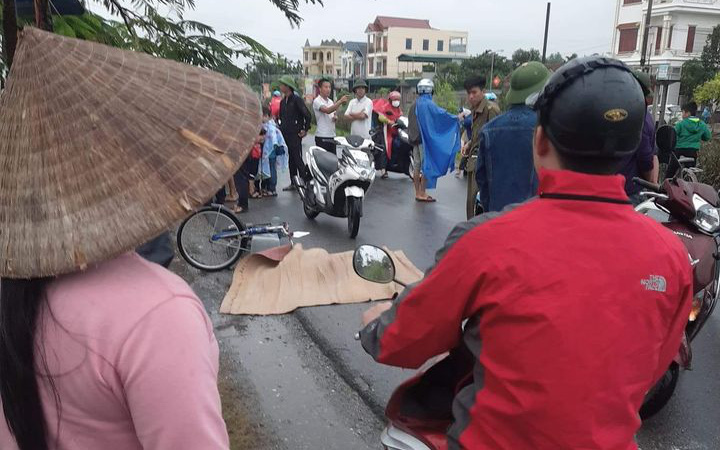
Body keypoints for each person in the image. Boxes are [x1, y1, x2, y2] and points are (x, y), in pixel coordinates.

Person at [359, 57, 692, 449]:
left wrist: (376, 324)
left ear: (540, 141)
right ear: (631, 147)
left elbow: (403, 341)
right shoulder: (672, 257)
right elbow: (653, 365)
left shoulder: (485, 241)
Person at [475, 62, 550, 213]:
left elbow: (481, 180)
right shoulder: (547, 129)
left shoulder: (489, 130)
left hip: (497, 220)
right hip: (535, 220)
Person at [408, 78, 462, 203]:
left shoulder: (414, 104)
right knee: (426, 165)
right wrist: (456, 118)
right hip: (423, 141)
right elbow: (441, 115)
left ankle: (418, 192)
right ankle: (422, 193)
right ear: (431, 90)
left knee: (416, 166)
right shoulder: (427, 104)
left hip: (414, 140)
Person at [462, 76, 500, 219]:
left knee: (481, 202)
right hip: (473, 161)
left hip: (485, 163)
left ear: (483, 91)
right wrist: (469, 144)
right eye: (468, 93)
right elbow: (479, 134)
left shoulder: (491, 110)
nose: (471, 96)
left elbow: (495, 138)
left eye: (474, 92)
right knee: (471, 203)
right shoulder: (475, 110)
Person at [619, 70, 659, 205]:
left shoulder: (615, 112)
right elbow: (647, 158)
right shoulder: (642, 117)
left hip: (616, 189)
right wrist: (651, 183)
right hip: (631, 190)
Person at [277, 75, 312, 192]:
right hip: (285, 134)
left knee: (297, 158)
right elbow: (281, 117)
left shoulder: (296, 100)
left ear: (287, 86)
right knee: (290, 158)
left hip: (295, 134)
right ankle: (294, 182)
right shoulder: (283, 102)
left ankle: (306, 181)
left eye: (282, 84)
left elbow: (307, 114)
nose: (280, 86)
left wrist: (305, 129)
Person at [665, 101, 712, 179]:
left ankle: (664, 188)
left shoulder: (681, 124)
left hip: (679, 151)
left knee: (670, 172)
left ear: (688, 113)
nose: (682, 115)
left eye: (682, 112)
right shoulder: (702, 124)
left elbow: (672, 135)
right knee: (690, 173)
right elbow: (707, 137)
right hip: (692, 152)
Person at [371, 91, 403, 178]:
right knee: (385, 147)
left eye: (398, 100)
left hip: (396, 131)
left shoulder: (398, 110)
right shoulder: (385, 107)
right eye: (394, 99)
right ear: (390, 100)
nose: (396, 101)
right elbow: (380, 116)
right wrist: (388, 121)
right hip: (385, 131)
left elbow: (401, 117)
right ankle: (383, 170)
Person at [312, 77, 349, 153]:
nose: (328, 89)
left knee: (334, 161)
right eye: (326, 87)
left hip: (332, 136)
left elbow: (333, 114)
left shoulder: (331, 102)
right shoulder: (317, 101)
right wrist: (340, 101)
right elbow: (327, 110)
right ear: (320, 89)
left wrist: (335, 117)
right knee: (324, 162)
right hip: (322, 136)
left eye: (329, 87)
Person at [260, 106, 288, 197]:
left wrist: (275, 144)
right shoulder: (267, 125)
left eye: (264, 115)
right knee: (267, 169)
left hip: (271, 152)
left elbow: (274, 138)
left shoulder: (270, 126)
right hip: (268, 152)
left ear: (269, 116)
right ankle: (267, 187)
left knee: (271, 169)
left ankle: (272, 188)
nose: (262, 117)